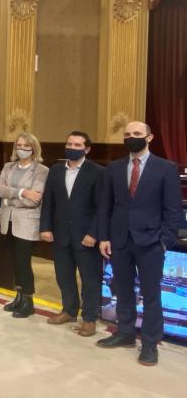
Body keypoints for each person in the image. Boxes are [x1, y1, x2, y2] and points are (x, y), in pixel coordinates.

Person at [96, 121, 183, 366]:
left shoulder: (166, 168)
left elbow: (173, 209)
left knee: (151, 294)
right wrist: (104, 236)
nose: (131, 137)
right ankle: (125, 333)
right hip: (119, 240)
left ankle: (150, 343)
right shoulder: (114, 168)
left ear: (149, 137)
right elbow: (105, 206)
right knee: (122, 290)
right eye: (127, 134)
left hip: (151, 242)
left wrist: (164, 241)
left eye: (137, 133)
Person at [40, 131, 104, 337]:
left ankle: (89, 319)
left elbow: (102, 207)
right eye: (69, 144)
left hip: (86, 237)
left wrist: (94, 234)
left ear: (87, 149)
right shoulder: (56, 170)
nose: (72, 147)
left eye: (77, 145)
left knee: (90, 280)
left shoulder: (98, 172)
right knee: (64, 276)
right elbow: (48, 202)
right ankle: (69, 311)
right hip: (61, 235)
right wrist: (45, 227)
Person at [0, 132, 49, 318]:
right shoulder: (8, 166)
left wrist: (9, 199)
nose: (22, 149)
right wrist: (22, 192)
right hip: (8, 221)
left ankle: (28, 300)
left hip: (27, 222)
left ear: (33, 148)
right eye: (19, 145)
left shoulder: (41, 170)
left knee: (23, 262)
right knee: (15, 261)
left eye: (26, 146)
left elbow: (34, 200)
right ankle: (18, 296)